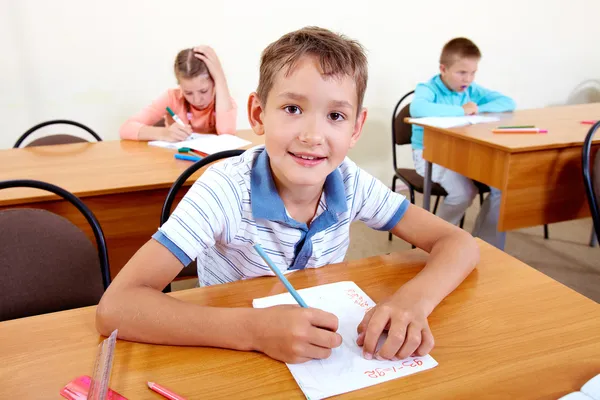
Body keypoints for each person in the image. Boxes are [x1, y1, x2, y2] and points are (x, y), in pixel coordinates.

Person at [97, 27, 478, 365]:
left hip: (318, 350)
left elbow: (458, 242)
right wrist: (253, 330)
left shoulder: (348, 181)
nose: (313, 135)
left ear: (356, 128)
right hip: (228, 350)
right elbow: (117, 307)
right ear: (259, 114)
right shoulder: (224, 191)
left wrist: (413, 300)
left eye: (336, 116)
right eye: (293, 108)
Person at [410, 37, 516, 250]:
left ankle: (486, 244)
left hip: (463, 154)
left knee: (501, 186)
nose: (468, 79)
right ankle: (436, 238)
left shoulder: (471, 89)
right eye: (462, 73)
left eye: (473, 72)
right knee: (464, 193)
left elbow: (508, 102)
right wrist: (462, 110)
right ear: (443, 68)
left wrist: (477, 107)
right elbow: (417, 109)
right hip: (429, 154)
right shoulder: (429, 88)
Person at [119, 46, 237, 142]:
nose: (197, 100)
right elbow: (126, 128)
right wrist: (164, 133)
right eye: (188, 92)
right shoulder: (172, 98)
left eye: (203, 91)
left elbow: (227, 133)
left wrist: (220, 77)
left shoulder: (223, 100)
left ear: (214, 82)